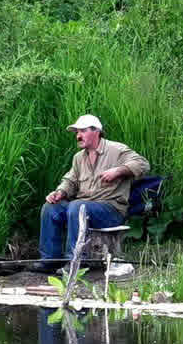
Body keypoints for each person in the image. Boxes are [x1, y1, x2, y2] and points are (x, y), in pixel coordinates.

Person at [34, 114, 150, 273]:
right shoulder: (78, 158)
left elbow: (143, 164)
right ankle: (50, 260)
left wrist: (119, 170)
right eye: (76, 132)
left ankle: (75, 261)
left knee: (77, 206)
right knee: (51, 207)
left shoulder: (116, 150)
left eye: (82, 131)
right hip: (82, 207)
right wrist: (60, 192)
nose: (78, 136)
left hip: (111, 210)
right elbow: (70, 181)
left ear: (96, 131)